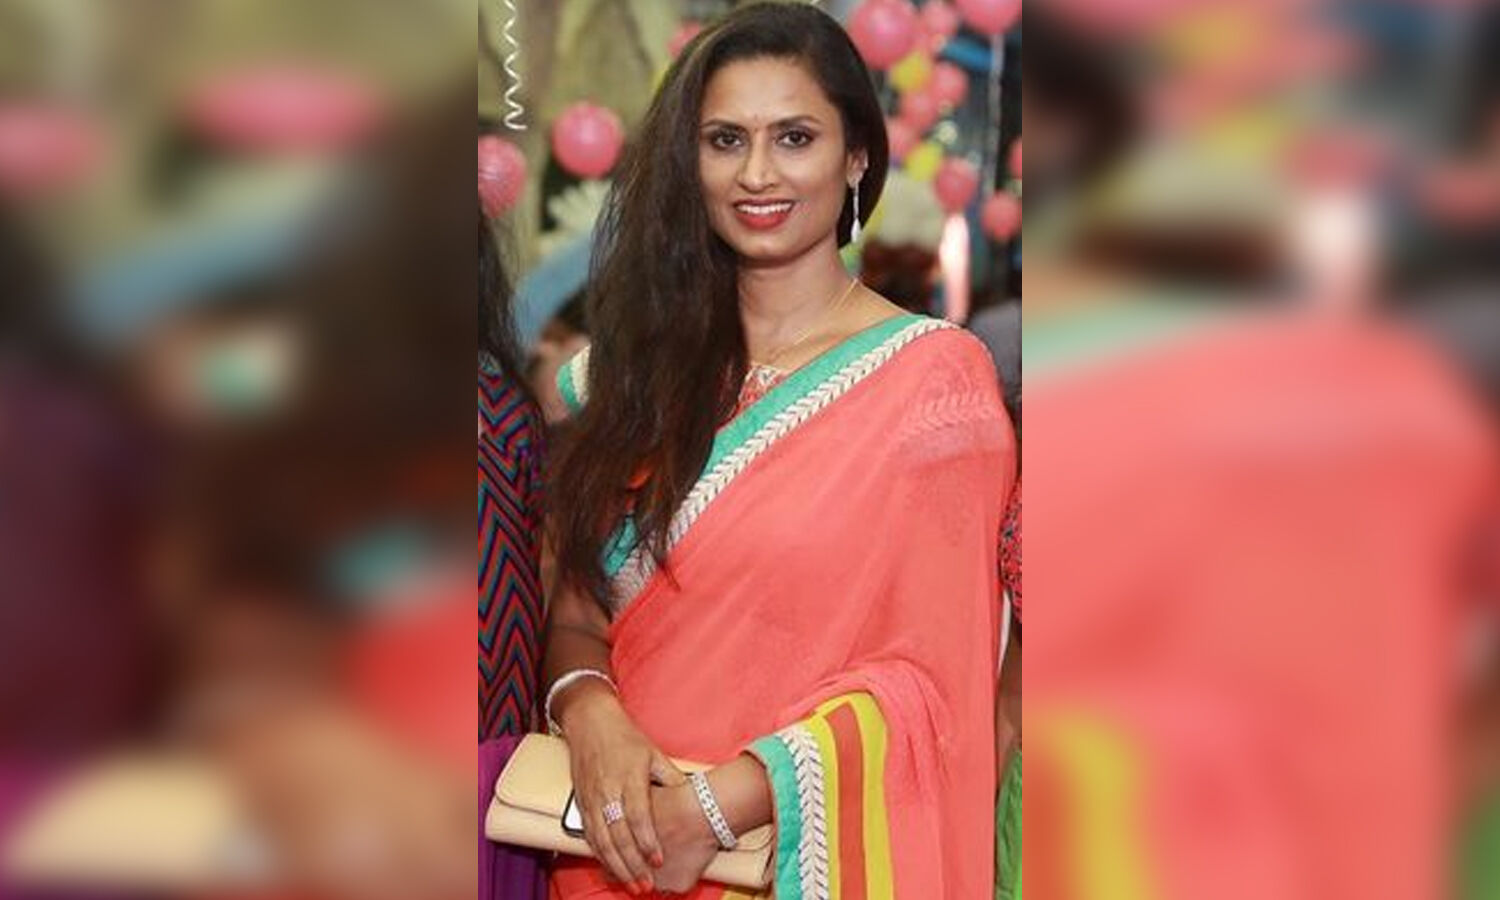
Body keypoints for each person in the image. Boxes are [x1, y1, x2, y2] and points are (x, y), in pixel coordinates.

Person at [537, 4, 1015, 898]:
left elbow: (933, 682)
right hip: (604, 852)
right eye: (726, 140)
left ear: (856, 156)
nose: (757, 173)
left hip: (783, 861)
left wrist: (718, 807)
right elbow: (575, 615)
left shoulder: (933, 385)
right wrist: (588, 707)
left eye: (795, 137)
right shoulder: (626, 378)